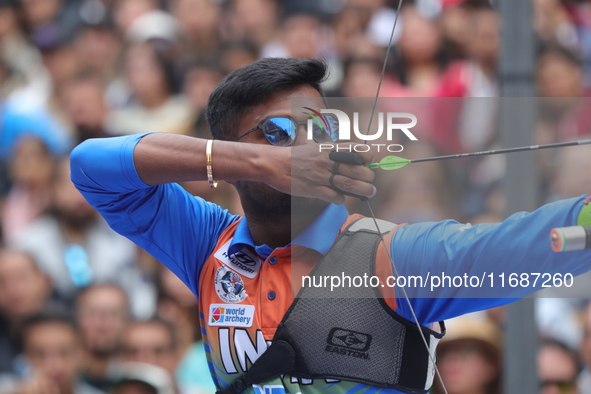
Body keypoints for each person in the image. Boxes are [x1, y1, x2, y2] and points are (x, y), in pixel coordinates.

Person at [71, 57, 591, 394]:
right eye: (277, 131)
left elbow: (531, 245)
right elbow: (90, 166)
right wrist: (257, 164)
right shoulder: (208, 243)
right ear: (229, 150)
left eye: (320, 127)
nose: (307, 143)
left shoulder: (390, 257)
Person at [76, 284, 131, 392]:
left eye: (113, 314)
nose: (103, 325)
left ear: (127, 322)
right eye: (93, 313)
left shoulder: (138, 377)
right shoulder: (62, 379)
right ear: (78, 320)